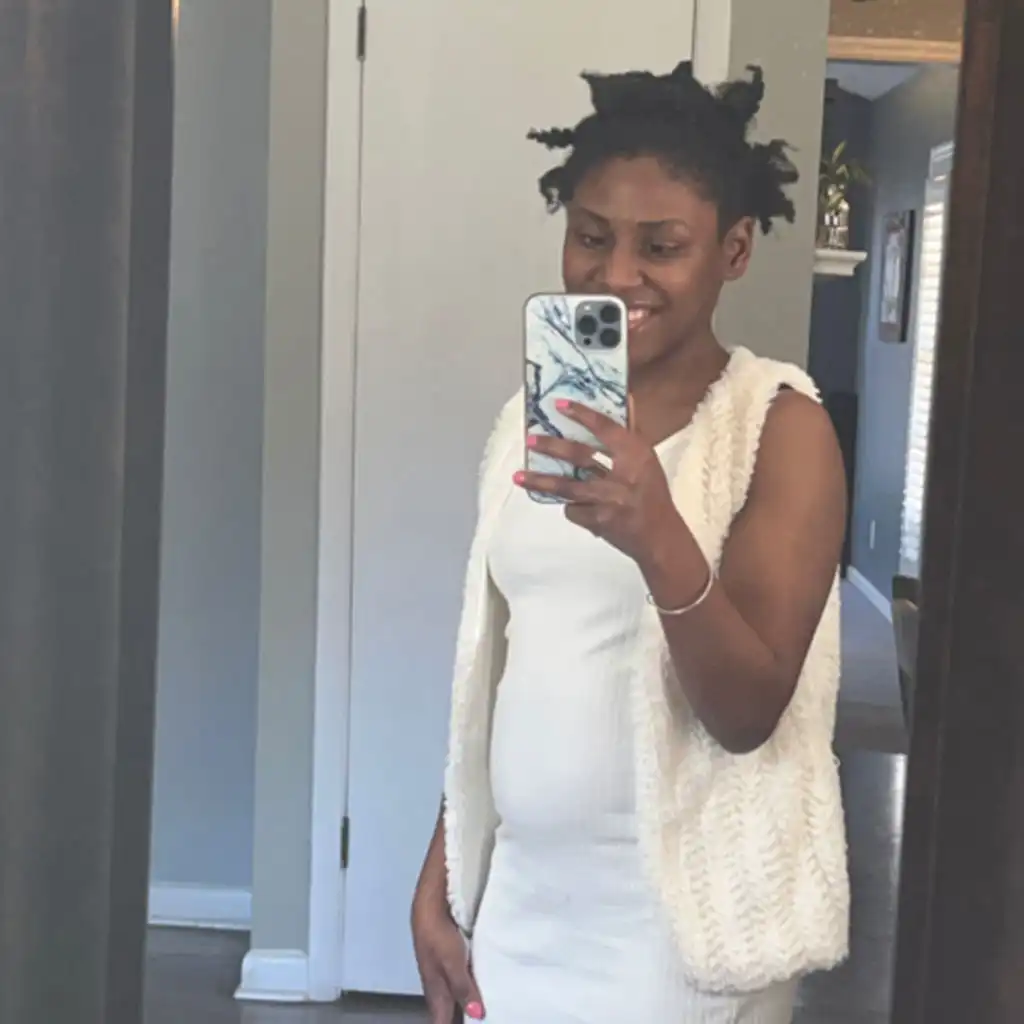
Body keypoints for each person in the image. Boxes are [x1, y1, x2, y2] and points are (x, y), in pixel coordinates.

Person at [410, 60, 849, 1024]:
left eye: (663, 246)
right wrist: (442, 874)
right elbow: (495, 675)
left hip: (680, 941)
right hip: (519, 912)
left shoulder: (780, 427)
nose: (615, 275)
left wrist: (658, 535)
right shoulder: (527, 426)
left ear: (734, 250)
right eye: (591, 236)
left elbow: (747, 713)